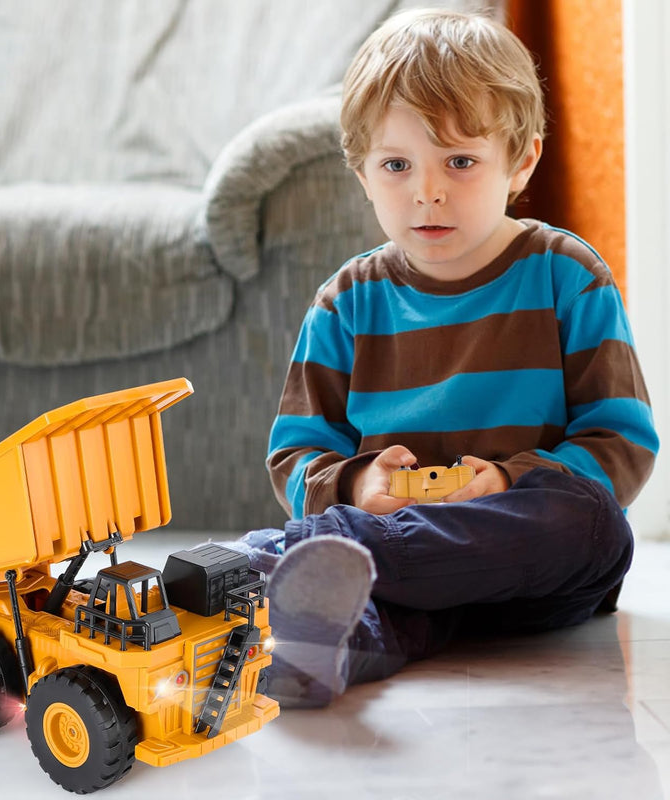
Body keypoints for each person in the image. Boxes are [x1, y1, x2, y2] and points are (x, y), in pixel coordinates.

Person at [219, 8, 659, 709]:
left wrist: (507, 483)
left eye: (460, 161)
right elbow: (297, 455)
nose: (427, 191)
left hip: (529, 563)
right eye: (396, 165)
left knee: (595, 522)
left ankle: (290, 556)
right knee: (367, 603)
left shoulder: (567, 276)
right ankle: (315, 648)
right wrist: (359, 486)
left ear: (521, 161)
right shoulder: (346, 303)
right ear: (362, 173)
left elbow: (622, 445)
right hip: (406, 580)